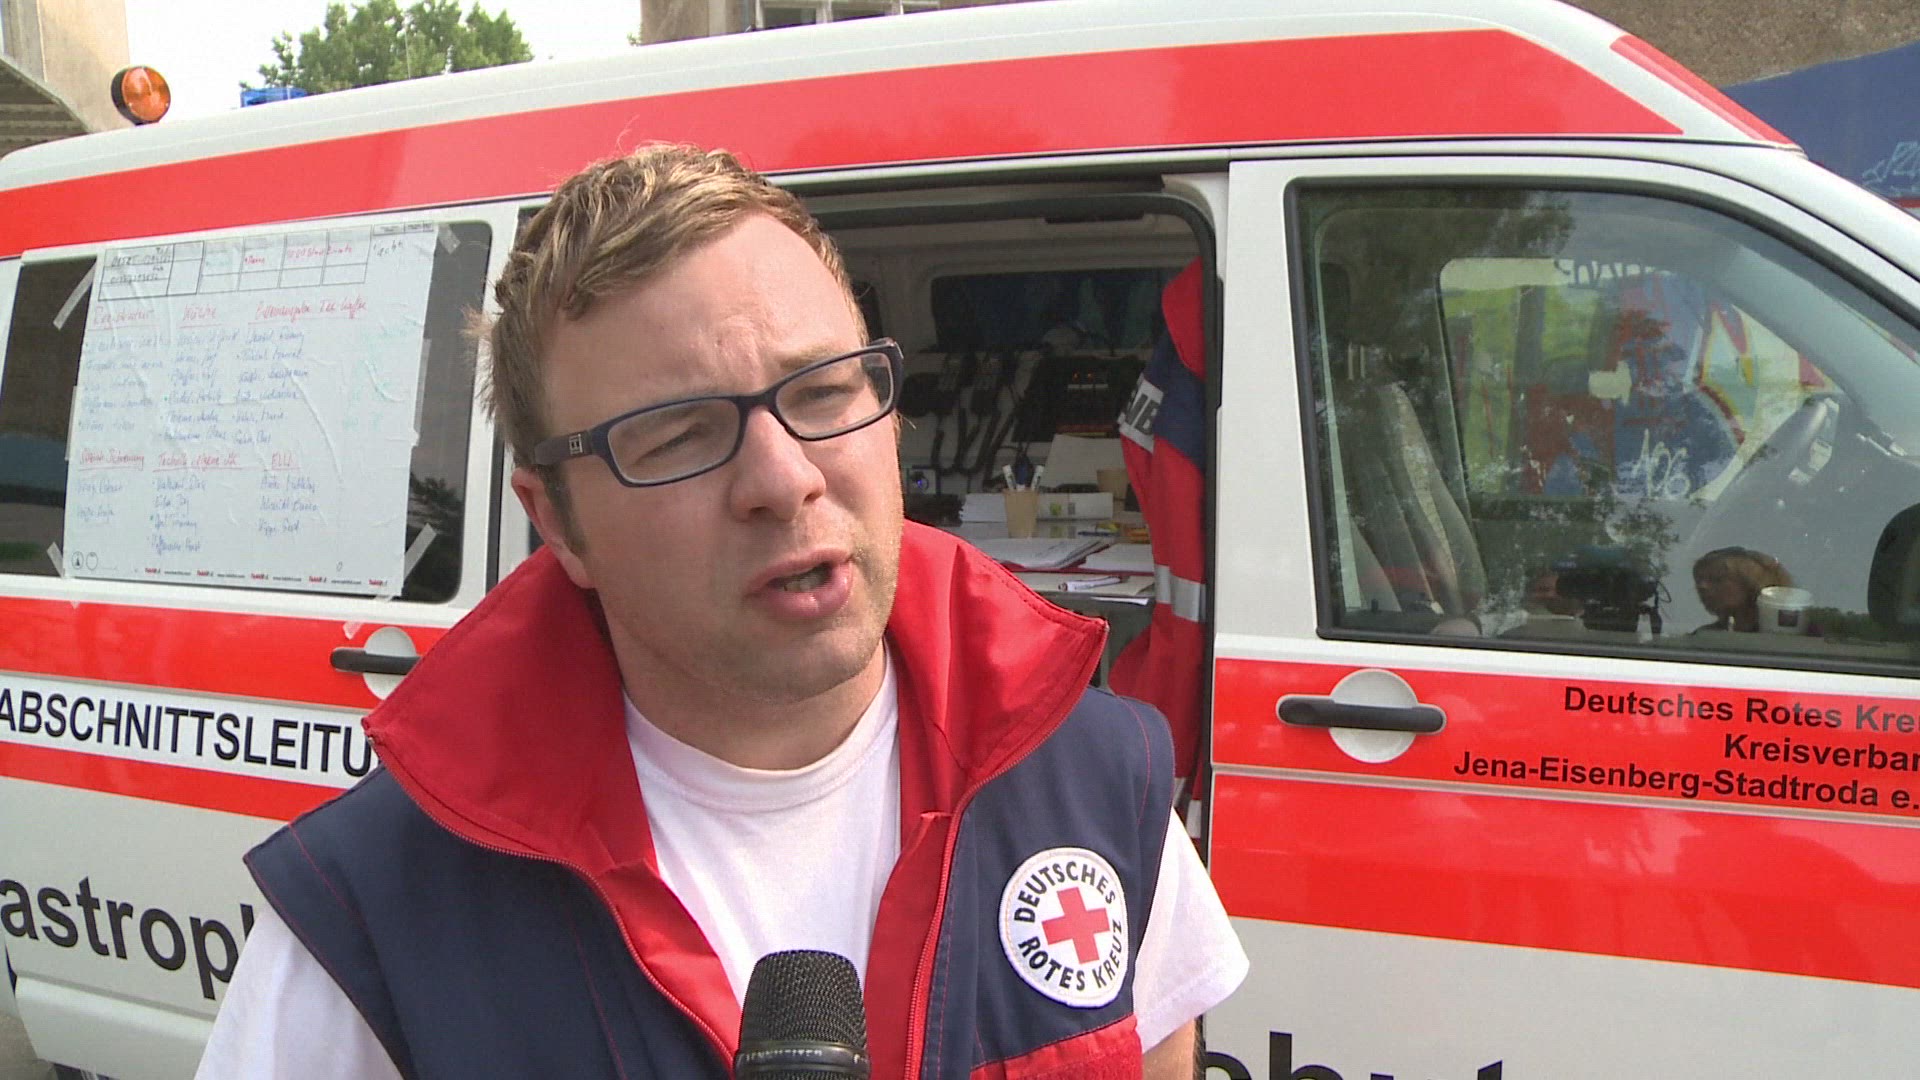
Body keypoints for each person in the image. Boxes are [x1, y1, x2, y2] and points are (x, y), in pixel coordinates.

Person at [195, 145, 1247, 1079]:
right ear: (557, 523)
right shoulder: (372, 922)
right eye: (678, 435)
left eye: (823, 391)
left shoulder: (1094, 777)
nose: (783, 480)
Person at [1692, 546, 1793, 633]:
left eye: (1717, 579)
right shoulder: (1704, 638)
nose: (1702, 586)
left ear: (1750, 584)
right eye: (1699, 580)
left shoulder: (1789, 639)